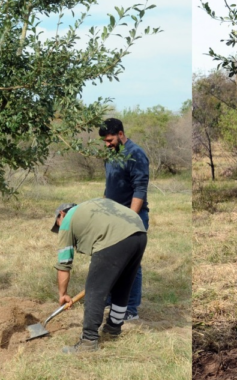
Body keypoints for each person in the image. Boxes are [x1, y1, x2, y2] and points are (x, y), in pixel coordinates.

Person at [51, 198, 147, 353]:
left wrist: (63, 294)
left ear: (61, 214)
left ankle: (88, 341)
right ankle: (113, 328)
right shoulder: (90, 207)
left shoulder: (67, 221)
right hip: (139, 232)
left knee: (94, 290)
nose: (59, 229)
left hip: (114, 239)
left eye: (57, 224)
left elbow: (64, 264)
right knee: (122, 285)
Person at [98, 118, 149, 321]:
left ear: (121, 134)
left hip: (132, 217)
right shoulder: (111, 154)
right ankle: (111, 301)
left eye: (110, 139)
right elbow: (109, 185)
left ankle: (130, 310)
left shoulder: (136, 154)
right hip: (111, 216)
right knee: (111, 260)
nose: (107, 144)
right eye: (105, 141)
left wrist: (129, 219)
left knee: (131, 264)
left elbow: (140, 189)